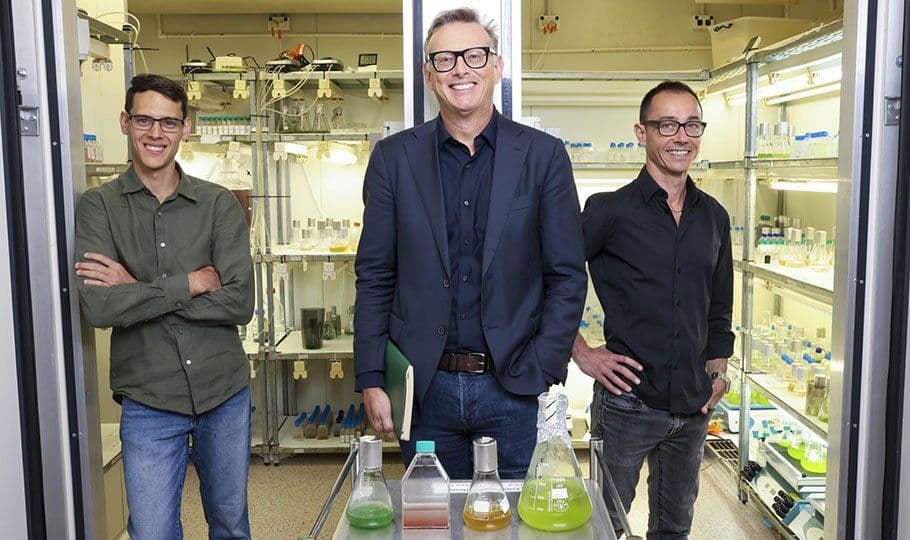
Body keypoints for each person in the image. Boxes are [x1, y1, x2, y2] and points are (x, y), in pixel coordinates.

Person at [354, 7, 586, 480]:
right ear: (428, 74)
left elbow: (566, 275)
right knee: (433, 521)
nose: (460, 68)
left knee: (519, 521)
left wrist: (543, 365)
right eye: (444, 59)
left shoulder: (542, 158)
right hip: (425, 389)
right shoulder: (393, 159)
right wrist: (372, 377)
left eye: (474, 55)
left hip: (514, 386)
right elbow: (375, 275)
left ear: (496, 66)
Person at [74, 74, 255, 539]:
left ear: (185, 128)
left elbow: (239, 302)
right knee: (152, 532)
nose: (156, 133)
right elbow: (99, 307)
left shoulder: (218, 205)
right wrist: (191, 283)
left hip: (223, 392)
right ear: (125, 122)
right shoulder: (98, 208)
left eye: (168, 122)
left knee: (231, 524)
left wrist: (135, 287)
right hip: (149, 399)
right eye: (144, 119)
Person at [572, 81, 734, 538]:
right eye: (667, 125)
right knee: (605, 526)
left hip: (692, 407)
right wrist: (580, 350)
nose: (681, 136)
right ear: (642, 133)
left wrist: (718, 373)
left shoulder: (714, 216)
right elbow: (549, 277)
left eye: (691, 124)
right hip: (628, 402)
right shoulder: (608, 212)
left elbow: (720, 305)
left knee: (674, 529)